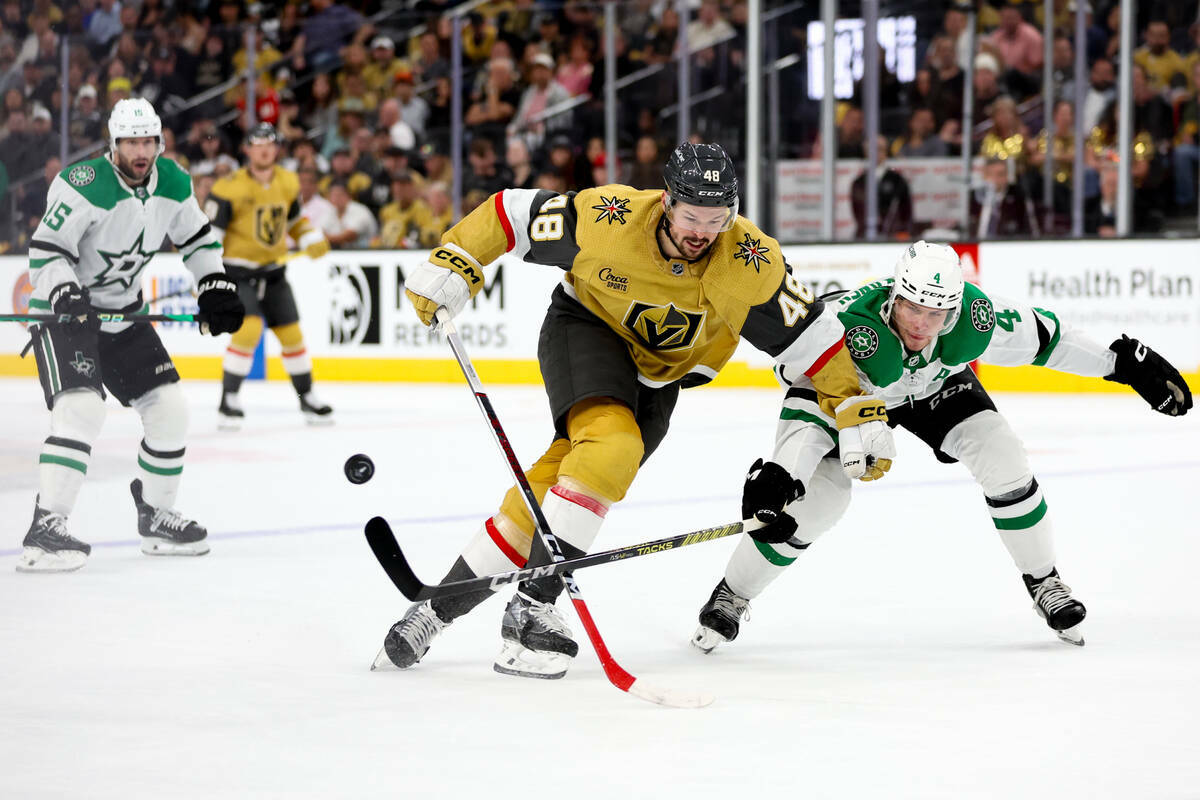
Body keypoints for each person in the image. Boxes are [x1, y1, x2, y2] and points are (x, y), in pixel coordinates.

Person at [375, 142, 896, 679]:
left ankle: (433, 611)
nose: (702, 231)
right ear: (668, 201)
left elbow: (816, 340)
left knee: (559, 484)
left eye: (716, 220)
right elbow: (512, 213)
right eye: (691, 216)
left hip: (660, 379)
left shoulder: (750, 261)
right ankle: (533, 606)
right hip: (587, 330)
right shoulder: (610, 219)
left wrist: (857, 410)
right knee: (611, 448)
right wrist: (457, 257)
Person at [691, 241, 1192, 652]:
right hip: (845, 390)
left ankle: (1045, 582)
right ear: (893, 296)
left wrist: (1121, 364)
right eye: (911, 306)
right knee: (818, 503)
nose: (920, 322)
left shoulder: (977, 320)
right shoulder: (844, 328)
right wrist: (784, 472)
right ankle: (732, 594)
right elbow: (806, 403)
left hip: (934, 389)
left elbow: (1048, 340)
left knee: (1004, 458)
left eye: (936, 312)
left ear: (954, 308)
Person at [18, 97, 245, 572]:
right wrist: (64, 293)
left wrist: (215, 285)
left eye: (148, 141)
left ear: (159, 142)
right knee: (80, 408)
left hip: (123, 316)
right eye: (130, 142)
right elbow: (46, 251)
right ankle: (46, 528)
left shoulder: (176, 181)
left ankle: (157, 515)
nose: (140, 151)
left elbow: (198, 239)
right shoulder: (82, 184)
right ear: (113, 144)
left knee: (170, 408)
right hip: (67, 316)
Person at [204, 123, 333, 430]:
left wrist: (310, 237)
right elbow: (210, 238)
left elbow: (293, 220)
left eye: (269, 144)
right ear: (247, 149)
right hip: (238, 272)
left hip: (274, 272)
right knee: (247, 332)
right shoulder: (227, 187)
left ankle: (308, 396)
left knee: (292, 336)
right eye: (256, 144)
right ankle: (229, 400)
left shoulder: (288, 181)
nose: (263, 150)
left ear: (277, 149)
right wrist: (207, 279)